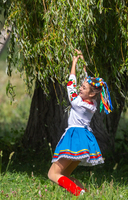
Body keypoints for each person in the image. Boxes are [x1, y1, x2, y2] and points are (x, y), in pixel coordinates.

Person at [48, 49, 113, 196]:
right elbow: (88, 82)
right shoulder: (93, 104)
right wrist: (83, 65)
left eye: (83, 88)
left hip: (74, 137)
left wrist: (74, 63)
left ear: (90, 93)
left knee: (53, 175)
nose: (80, 88)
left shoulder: (77, 102)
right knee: (64, 175)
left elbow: (71, 85)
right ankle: (87, 195)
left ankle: (80, 193)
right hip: (85, 140)